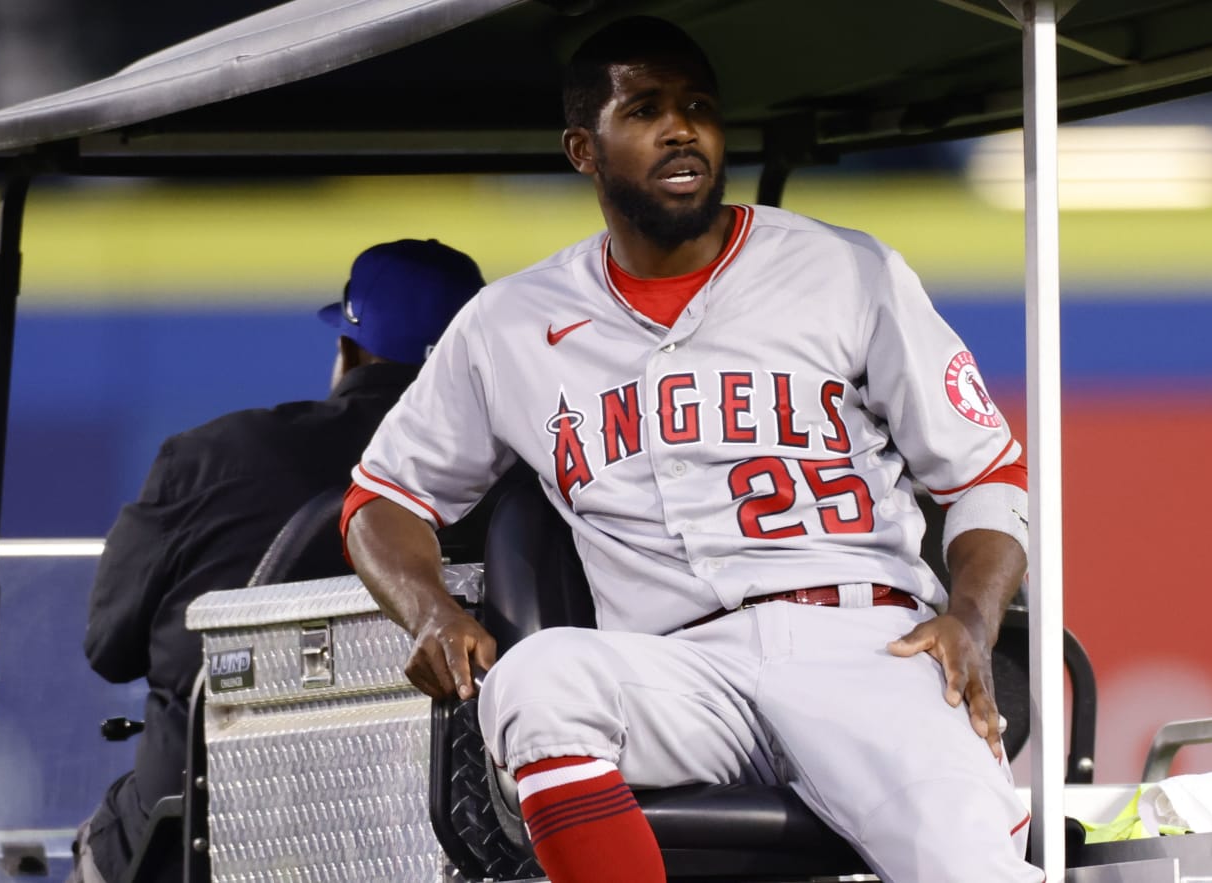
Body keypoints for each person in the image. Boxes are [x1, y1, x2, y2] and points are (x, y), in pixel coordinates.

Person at [340, 18, 1040, 883]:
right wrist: (430, 611)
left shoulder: (847, 270)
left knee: (969, 867)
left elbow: (986, 474)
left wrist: (971, 618)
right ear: (583, 149)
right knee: (539, 682)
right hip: (679, 669)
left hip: (865, 645)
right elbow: (379, 501)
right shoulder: (508, 324)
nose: (681, 128)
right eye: (645, 110)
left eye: (699, 107)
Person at [71, 239, 485, 883]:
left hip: (193, 840)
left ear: (349, 350)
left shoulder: (208, 457)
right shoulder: (525, 480)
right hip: (449, 843)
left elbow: (109, 648)